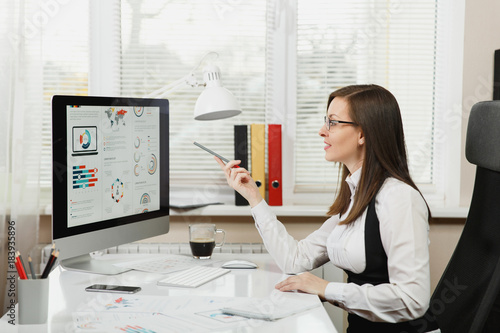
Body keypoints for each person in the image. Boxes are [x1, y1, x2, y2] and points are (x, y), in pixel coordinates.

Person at [215, 84, 431, 332]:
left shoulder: (399, 198)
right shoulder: (357, 196)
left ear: (363, 134)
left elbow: (413, 299)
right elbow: (295, 259)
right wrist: (253, 196)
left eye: (333, 122)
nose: (321, 131)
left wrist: (326, 289)